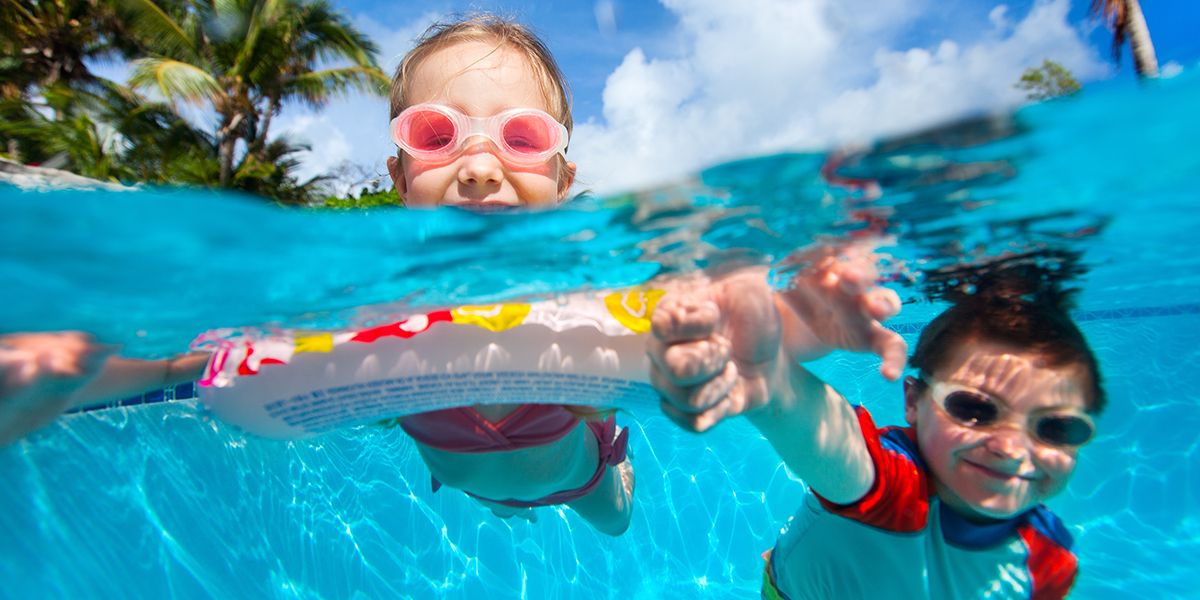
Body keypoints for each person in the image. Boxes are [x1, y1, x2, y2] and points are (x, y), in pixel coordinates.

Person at [0, 15, 635, 537]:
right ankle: (501, 502)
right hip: (465, 474)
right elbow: (190, 355)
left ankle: (615, 468)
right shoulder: (373, 294)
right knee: (495, 503)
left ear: (561, 182)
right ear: (399, 176)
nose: (478, 165)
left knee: (615, 522)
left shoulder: (575, 291)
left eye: (521, 137)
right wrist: (74, 366)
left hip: (577, 477)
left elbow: (628, 367)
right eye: (437, 134)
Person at [648, 245, 1103, 598]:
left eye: (1056, 428)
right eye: (975, 409)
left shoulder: (1052, 560)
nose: (1011, 448)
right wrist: (766, 377)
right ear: (914, 401)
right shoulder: (894, 487)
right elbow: (834, 444)